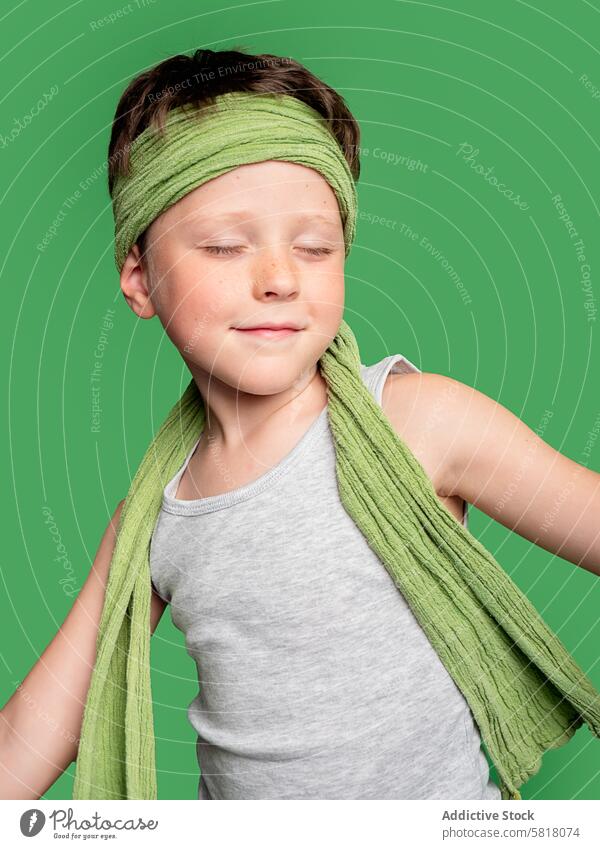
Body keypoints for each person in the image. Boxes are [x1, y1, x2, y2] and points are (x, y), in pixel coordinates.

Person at [1, 47, 599, 802]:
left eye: (315, 247)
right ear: (140, 278)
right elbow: (30, 732)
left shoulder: (417, 422)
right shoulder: (153, 521)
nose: (280, 277)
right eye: (224, 245)